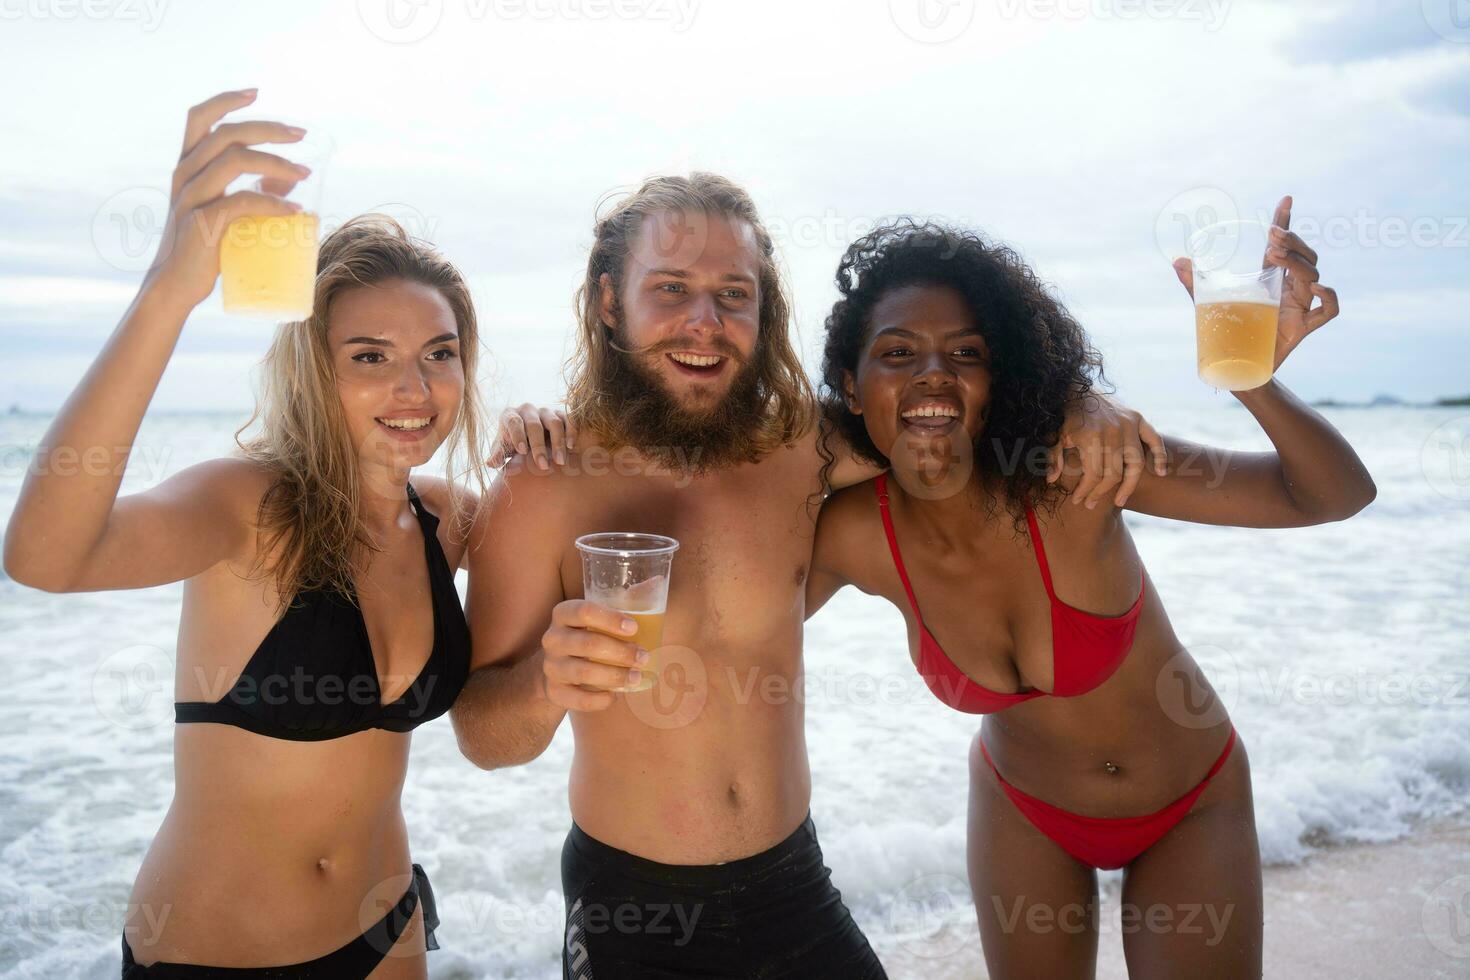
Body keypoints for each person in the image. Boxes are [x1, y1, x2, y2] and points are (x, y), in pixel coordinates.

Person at [453, 172, 1162, 979]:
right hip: (635, 908)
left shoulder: (799, 453)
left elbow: (945, 410)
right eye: (671, 289)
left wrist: (1080, 401)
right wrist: (548, 682)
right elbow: (482, 737)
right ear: (611, 302)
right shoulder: (538, 487)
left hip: (792, 881)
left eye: (733, 293)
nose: (705, 322)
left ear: (765, 312)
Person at [805, 206, 1374, 977]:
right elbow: (721, 620)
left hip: (1191, 803)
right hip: (1022, 812)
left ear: (995, 378)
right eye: (898, 351)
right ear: (851, 379)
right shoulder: (852, 536)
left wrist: (1252, 379)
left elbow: (1330, 495)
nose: (933, 372)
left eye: (965, 352)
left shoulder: (1076, 469)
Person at [4, 91, 494, 978]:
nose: (414, 387)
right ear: (315, 369)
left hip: (389, 933)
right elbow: (44, 557)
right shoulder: (249, 506)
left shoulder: (449, 519)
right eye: (370, 357)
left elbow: (587, 539)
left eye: (440, 352)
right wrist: (170, 289)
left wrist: (555, 442)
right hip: (212, 955)